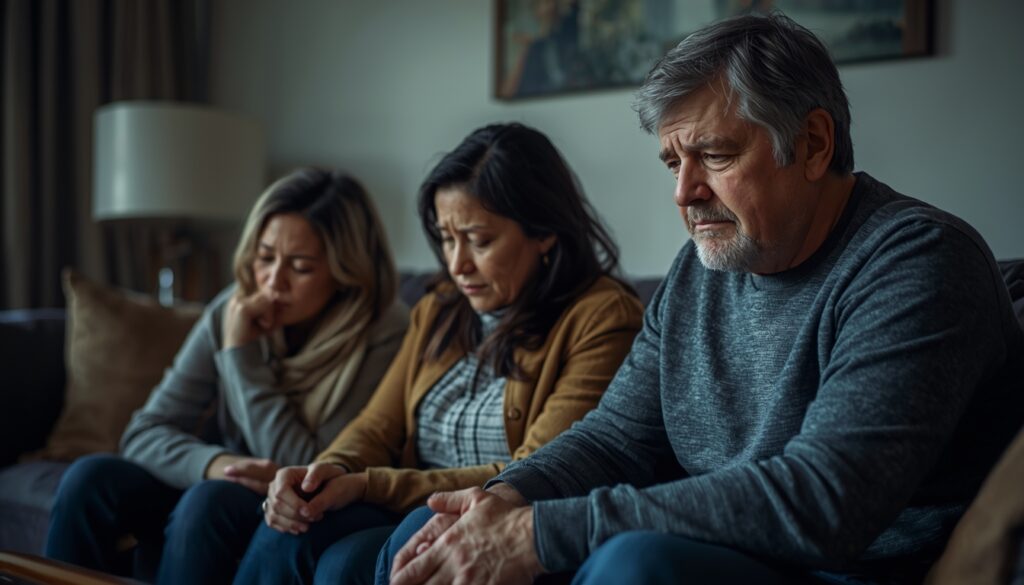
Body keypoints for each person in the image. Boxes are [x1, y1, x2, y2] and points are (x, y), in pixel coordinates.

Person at [381, 14, 1024, 585]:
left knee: (634, 566)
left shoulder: (918, 262)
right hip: (729, 553)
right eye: (671, 163)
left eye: (715, 155)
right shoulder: (700, 269)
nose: (684, 192)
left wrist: (542, 533)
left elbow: (827, 499)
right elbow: (613, 440)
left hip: (846, 569)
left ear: (813, 144)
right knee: (424, 537)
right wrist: (503, 500)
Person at [231, 122, 644, 585]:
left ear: (544, 232)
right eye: (447, 239)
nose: (457, 264)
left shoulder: (604, 317)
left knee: (347, 562)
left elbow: (537, 471)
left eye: (479, 240)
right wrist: (328, 470)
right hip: (409, 506)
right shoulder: (439, 308)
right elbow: (376, 426)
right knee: (297, 521)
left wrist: (370, 484)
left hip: (501, 516)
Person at [45, 168, 409, 584]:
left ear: (347, 273)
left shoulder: (386, 333)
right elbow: (145, 431)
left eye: (301, 267)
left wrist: (241, 357)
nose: (273, 282)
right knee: (89, 479)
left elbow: (313, 469)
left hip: (298, 501)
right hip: (233, 480)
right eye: (265, 257)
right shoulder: (231, 311)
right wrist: (215, 463)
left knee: (209, 500)